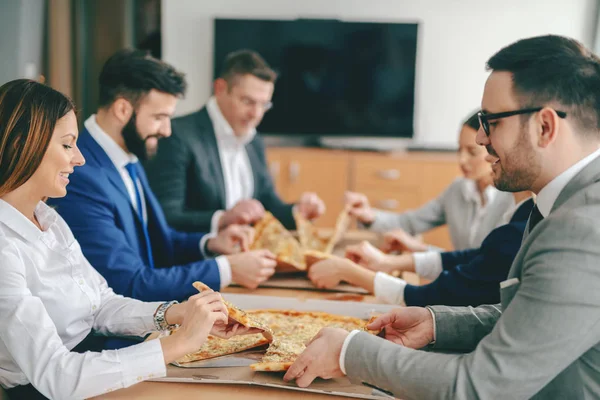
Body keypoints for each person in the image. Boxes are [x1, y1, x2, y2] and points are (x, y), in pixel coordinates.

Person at [283, 35, 600, 399]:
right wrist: (438, 324)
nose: (481, 138)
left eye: (491, 121)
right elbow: (533, 321)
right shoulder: (564, 202)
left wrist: (349, 352)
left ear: (545, 127)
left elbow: (478, 387)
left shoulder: (581, 230)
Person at [0, 79, 256, 400]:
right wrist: (176, 344)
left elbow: (101, 305)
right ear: (24, 144)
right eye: (67, 145)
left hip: (97, 366)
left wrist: (177, 313)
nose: (79, 158)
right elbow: (57, 376)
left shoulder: (48, 218)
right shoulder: (4, 248)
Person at [47, 49, 277, 304]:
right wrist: (227, 269)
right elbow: (130, 283)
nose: (167, 130)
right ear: (123, 109)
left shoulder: (128, 155)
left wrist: (210, 243)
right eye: (159, 117)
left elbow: (158, 242)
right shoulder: (81, 176)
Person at [143, 49, 325, 233]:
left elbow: (268, 204)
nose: (256, 114)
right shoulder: (177, 136)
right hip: (201, 257)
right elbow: (165, 216)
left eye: (264, 104)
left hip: (247, 255)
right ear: (220, 88)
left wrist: (298, 212)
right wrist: (223, 219)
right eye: (247, 101)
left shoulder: (254, 141)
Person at [309, 189, 533, 307]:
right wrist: (392, 262)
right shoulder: (521, 218)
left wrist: (348, 271)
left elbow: (428, 295)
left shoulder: (514, 231)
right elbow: (476, 258)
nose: (485, 151)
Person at [345, 111, 514, 253]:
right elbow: (409, 223)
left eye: (472, 152)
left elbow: (484, 264)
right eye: (459, 150)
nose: (462, 160)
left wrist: (419, 248)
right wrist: (369, 216)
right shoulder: (457, 190)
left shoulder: (514, 200)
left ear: (494, 149)